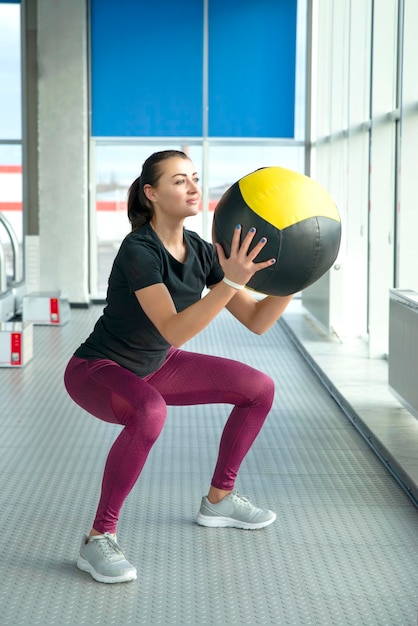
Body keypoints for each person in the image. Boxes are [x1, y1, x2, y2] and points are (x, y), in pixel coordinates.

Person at [64, 149, 293, 584]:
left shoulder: (203, 252)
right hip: (98, 369)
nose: (192, 187)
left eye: (194, 177)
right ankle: (98, 539)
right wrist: (231, 281)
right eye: (179, 180)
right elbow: (174, 330)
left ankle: (220, 499)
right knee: (150, 412)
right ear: (150, 193)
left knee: (259, 388)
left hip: (157, 366)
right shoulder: (139, 251)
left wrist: (293, 278)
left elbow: (259, 321)